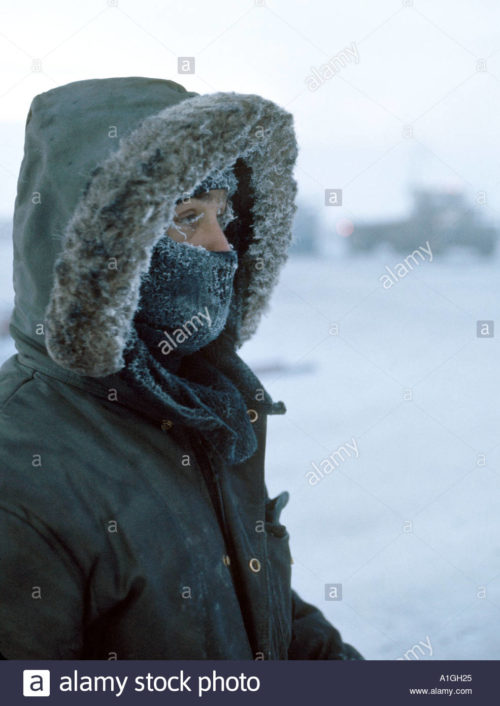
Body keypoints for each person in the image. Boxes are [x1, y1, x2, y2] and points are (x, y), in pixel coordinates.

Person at [0, 76, 364, 660]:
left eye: (223, 214)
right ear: (98, 243)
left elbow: (265, 613)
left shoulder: (199, 404)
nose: (223, 247)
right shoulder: (19, 466)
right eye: (188, 215)